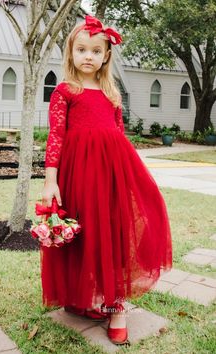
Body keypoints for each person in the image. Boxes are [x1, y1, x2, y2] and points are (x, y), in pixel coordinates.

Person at [41, 15, 172, 345]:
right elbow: (55, 137)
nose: (88, 56)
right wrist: (50, 181)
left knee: (112, 233)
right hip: (76, 174)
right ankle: (85, 297)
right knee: (84, 234)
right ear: (71, 52)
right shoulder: (65, 92)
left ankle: (116, 306)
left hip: (110, 175)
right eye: (82, 49)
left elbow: (119, 137)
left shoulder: (111, 93)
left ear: (106, 56)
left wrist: (126, 177)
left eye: (96, 51)